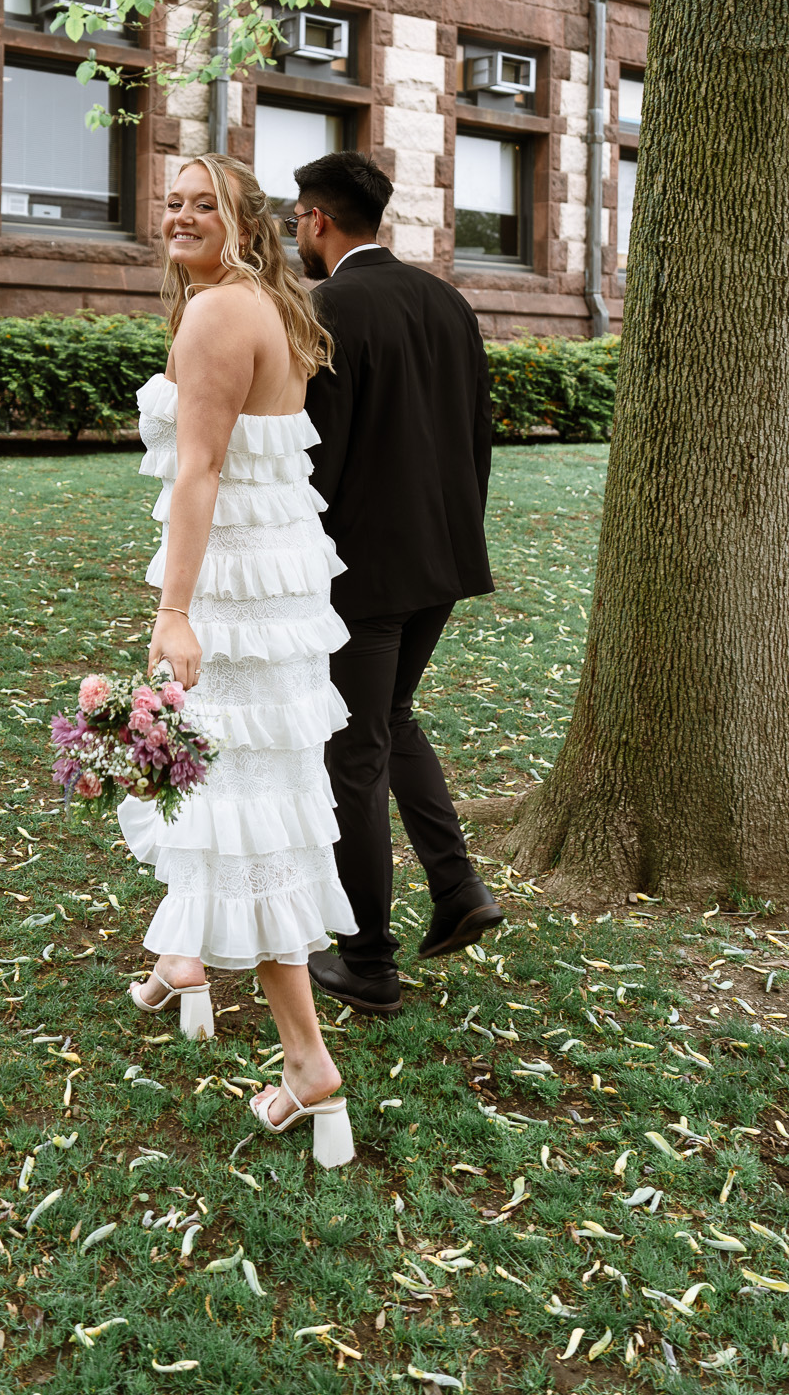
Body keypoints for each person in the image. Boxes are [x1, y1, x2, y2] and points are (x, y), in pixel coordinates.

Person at [119, 154, 357, 1167]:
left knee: (245, 816)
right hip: (278, 587)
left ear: (243, 221)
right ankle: (183, 957)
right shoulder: (262, 300)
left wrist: (174, 609)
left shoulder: (217, 314)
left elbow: (203, 467)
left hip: (240, 596)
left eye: (202, 202)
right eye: (171, 200)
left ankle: (308, 1065)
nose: (181, 213)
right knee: (231, 795)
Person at [292, 150, 503, 1017]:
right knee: (393, 719)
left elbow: (319, 458)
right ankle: (456, 892)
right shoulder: (447, 301)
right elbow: (476, 435)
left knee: (354, 753)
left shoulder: (330, 307)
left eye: (297, 220)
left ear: (316, 220)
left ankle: (368, 961)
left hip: (362, 573)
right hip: (443, 561)